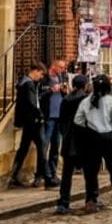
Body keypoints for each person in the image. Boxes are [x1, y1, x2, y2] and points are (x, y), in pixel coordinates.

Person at [73, 75, 112, 212]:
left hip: (91, 137)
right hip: (107, 138)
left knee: (91, 171)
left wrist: (89, 124)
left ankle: (91, 201)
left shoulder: (86, 102)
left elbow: (78, 120)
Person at [9, 63, 53, 188]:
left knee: (23, 148)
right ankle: (47, 178)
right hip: (34, 121)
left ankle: (14, 175)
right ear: (36, 71)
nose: (41, 77)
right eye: (41, 74)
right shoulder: (28, 84)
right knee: (42, 149)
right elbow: (32, 103)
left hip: (27, 121)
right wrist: (40, 116)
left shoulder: (25, 82)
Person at [54, 74, 89, 214]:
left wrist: (65, 133)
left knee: (66, 174)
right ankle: (91, 199)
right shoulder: (86, 100)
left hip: (69, 139)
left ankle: (63, 202)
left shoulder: (66, 99)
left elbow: (61, 121)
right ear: (85, 85)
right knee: (89, 173)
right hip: (83, 139)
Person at [40, 59, 68, 187]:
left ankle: (53, 172)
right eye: (61, 67)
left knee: (56, 147)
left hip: (59, 117)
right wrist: (51, 90)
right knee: (44, 146)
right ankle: (42, 174)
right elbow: (39, 96)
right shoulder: (44, 78)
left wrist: (64, 90)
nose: (63, 70)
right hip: (48, 117)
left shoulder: (61, 76)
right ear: (53, 66)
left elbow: (64, 95)